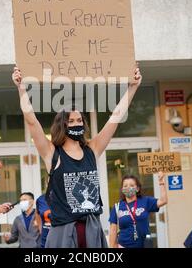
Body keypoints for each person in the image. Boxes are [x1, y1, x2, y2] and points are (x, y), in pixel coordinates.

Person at [12, 65, 142, 248]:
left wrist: (133, 87)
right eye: (71, 121)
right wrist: (21, 88)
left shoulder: (92, 149)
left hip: (92, 228)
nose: (76, 124)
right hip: (64, 231)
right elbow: (32, 122)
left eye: (79, 120)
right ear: (62, 125)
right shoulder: (52, 153)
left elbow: (116, 117)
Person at [109, 173, 167, 248]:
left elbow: (163, 200)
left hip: (145, 245)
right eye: (125, 186)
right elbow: (113, 231)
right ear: (122, 189)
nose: (128, 187)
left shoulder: (145, 201)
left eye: (132, 185)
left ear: (137, 188)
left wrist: (161, 182)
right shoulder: (117, 207)